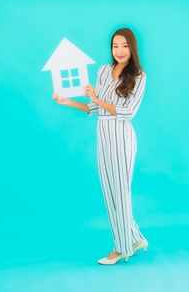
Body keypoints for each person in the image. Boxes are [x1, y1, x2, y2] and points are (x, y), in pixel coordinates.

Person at [52, 27, 148, 265]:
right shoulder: (104, 71)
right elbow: (95, 109)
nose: (120, 51)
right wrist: (67, 101)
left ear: (132, 48)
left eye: (125, 46)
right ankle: (135, 238)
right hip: (103, 134)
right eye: (115, 46)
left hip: (121, 135)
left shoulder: (139, 76)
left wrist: (96, 98)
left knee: (121, 193)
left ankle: (122, 248)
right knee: (110, 192)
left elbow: (128, 112)